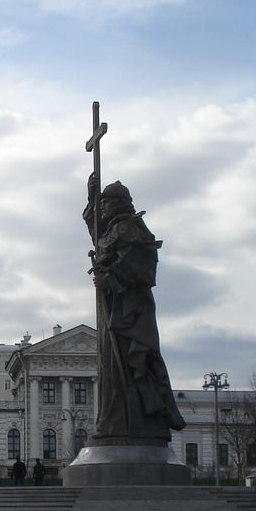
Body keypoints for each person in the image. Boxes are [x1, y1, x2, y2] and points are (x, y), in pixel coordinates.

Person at [84, 176, 186, 440]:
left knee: (131, 361)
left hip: (130, 310)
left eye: (107, 204)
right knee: (112, 367)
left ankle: (135, 422)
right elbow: (99, 235)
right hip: (114, 306)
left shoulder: (129, 228)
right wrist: (92, 198)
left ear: (119, 205)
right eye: (102, 205)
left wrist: (111, 278)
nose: (103, 210)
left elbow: (140, 264)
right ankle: (116, 421)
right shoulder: (113, 229)